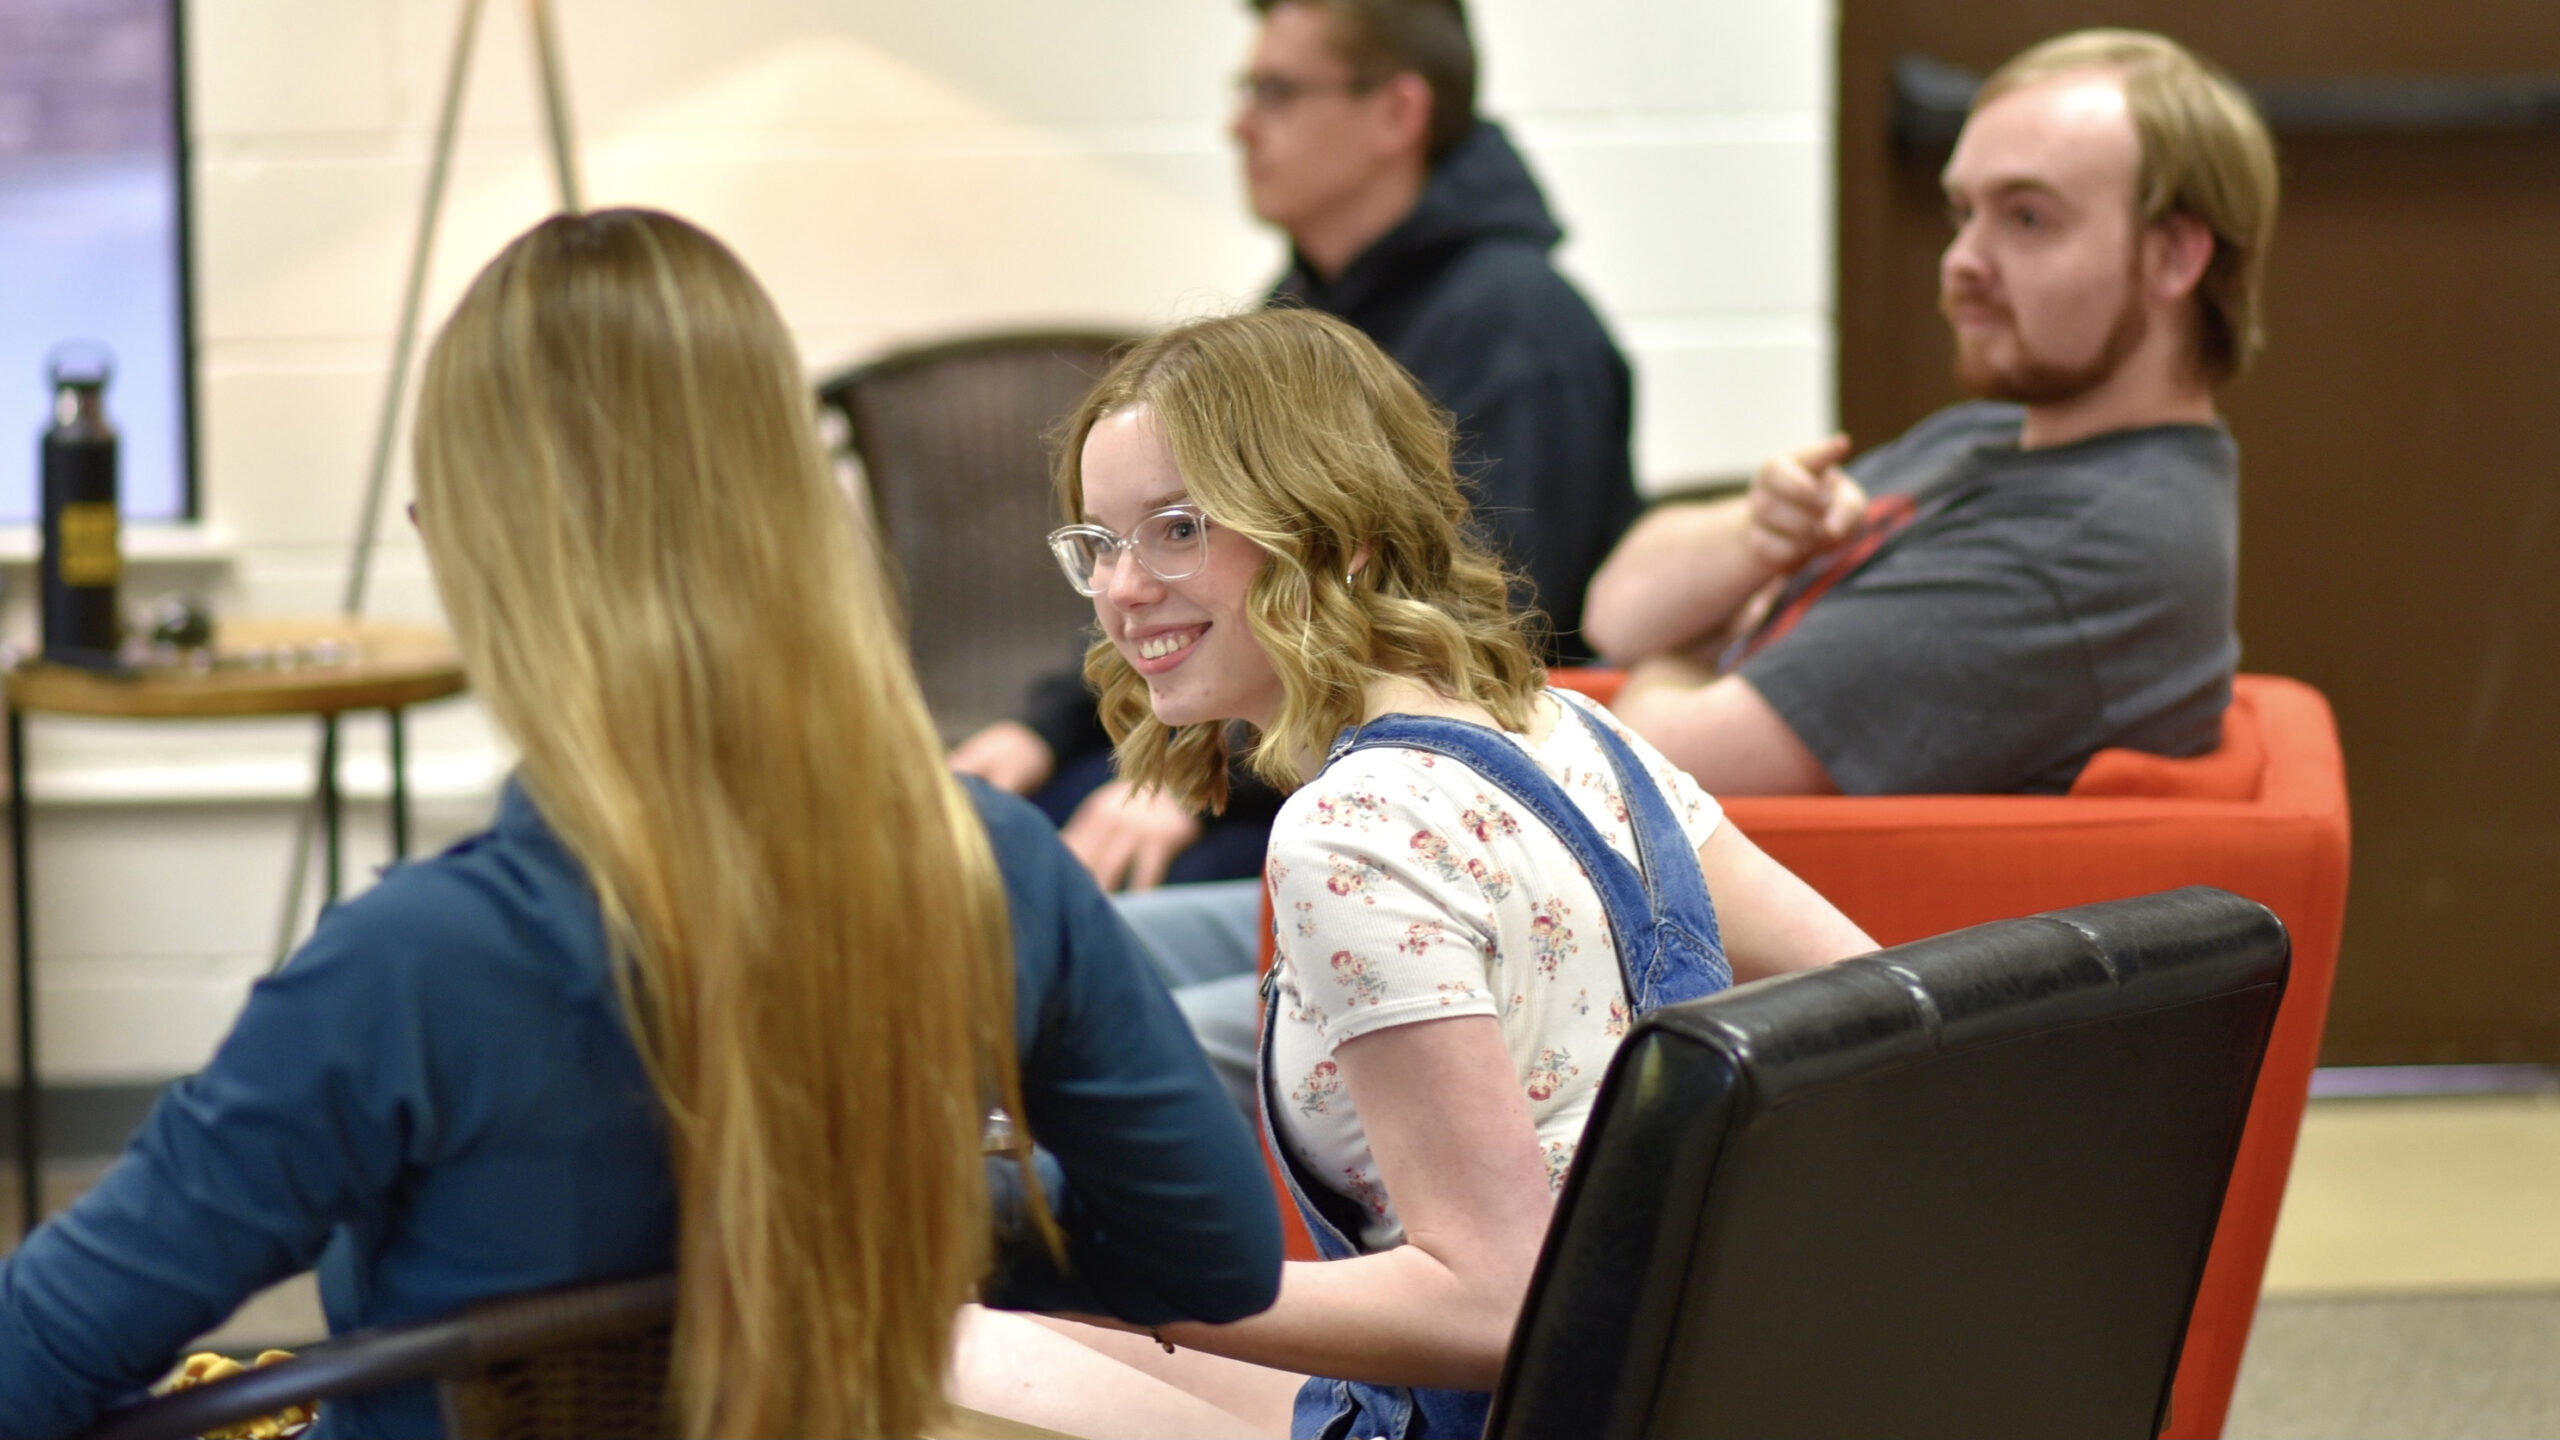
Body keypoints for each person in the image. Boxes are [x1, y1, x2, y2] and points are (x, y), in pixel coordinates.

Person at [0, 210, 1280, 1440]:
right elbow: (1215, 1258)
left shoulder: (404, 969)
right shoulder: (990, 867)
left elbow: (40, 1359)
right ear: (792, 513)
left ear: (468, 546)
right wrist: (902, 1206)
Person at [950, 307, 1872, 1439]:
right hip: (1679, 1390)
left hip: (1505, 1411)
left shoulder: (1352, 830)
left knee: (937, 1334)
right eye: (1098, 544)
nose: (1121, 588)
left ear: (1337, 533)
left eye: (1177, 531)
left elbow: (1491, 1304)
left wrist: (1110, 1267)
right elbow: (1872, 1002)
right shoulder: (1576, 733)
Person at [951, 0, 1640, 902]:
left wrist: (1193, 773)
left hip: (1380, 788)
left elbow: (1464, 629)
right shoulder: (1304, 304)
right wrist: (1042, 726)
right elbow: (1180, 568)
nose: (1238, 125)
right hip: (1256, 743)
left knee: (1047, 890)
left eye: (1275, 92)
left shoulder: (1520, 329)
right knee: (990, 819)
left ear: (1397, 112)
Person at [1583, 29, 2278, 797]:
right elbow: (1616, 613)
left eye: (2026, 218)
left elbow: (1653, 775)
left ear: (2174, 257)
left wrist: (1699, 642)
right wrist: (1755, 538)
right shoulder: (1998, 436)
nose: (1961, 262)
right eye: (1963, 214)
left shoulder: (2078, 548)